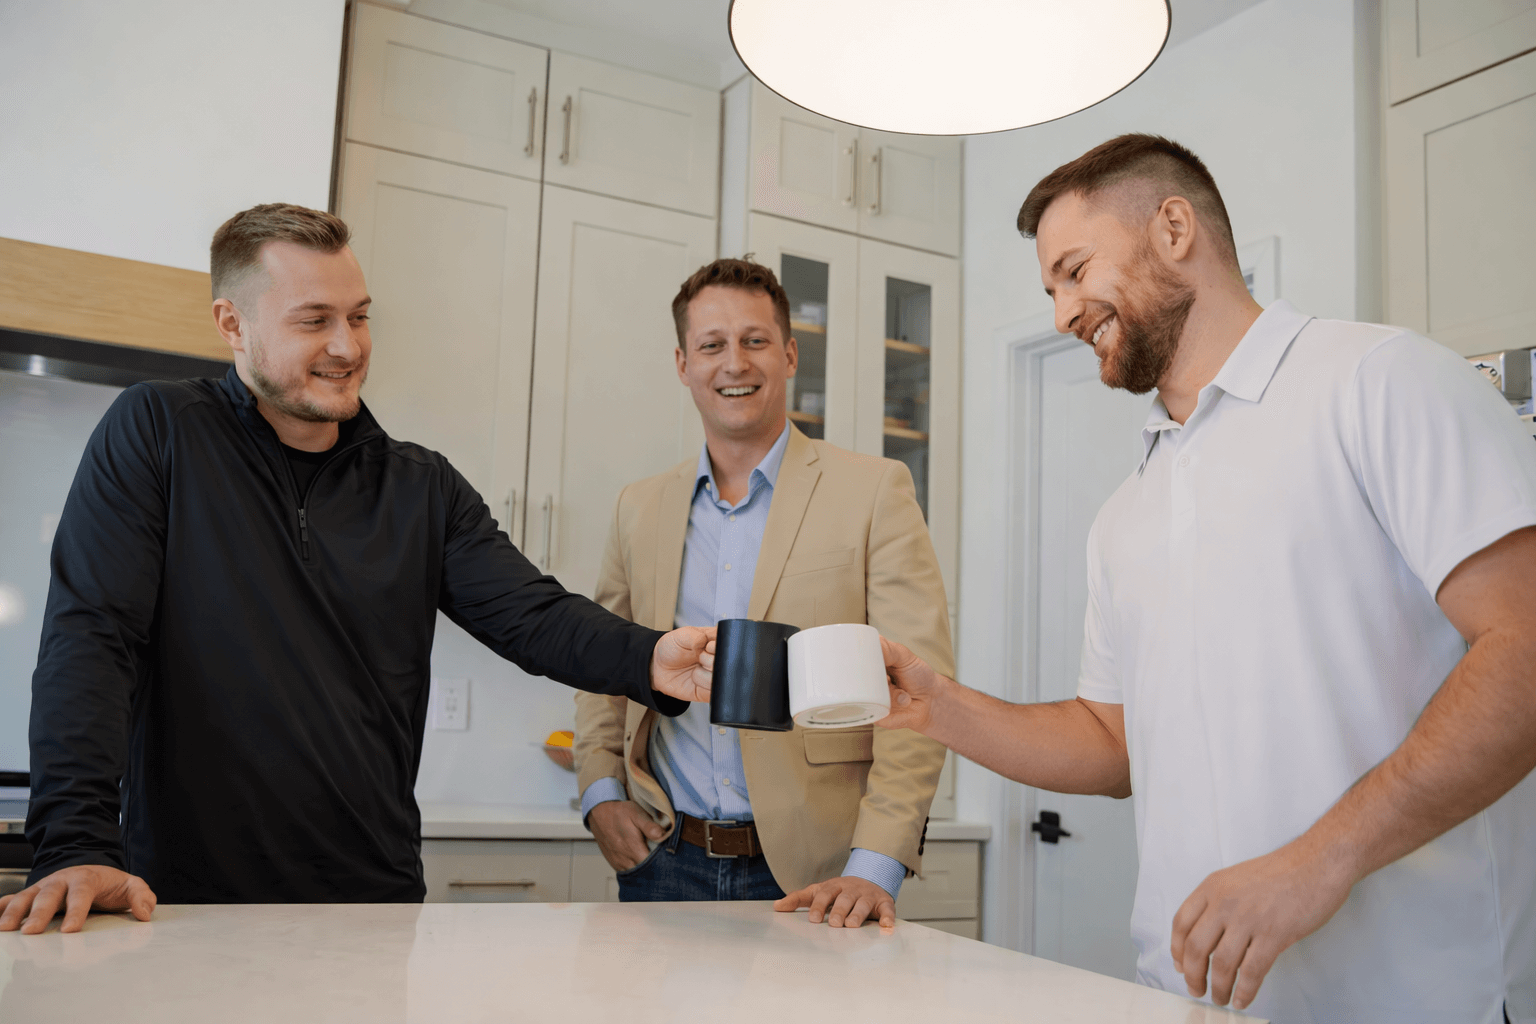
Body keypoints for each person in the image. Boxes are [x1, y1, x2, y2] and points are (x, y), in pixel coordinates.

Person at [875, 135, 1536, 1023]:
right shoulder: (1127, 513)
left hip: (1413, 994)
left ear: (1175, 228)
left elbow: (1524, 647)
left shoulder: (1379, 381)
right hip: (1191, 999)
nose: (1065, 312)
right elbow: (1114, 745)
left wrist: (1322, 857)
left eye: (1074, 270)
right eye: (1052, 291)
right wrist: (937, 707)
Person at [0, 204, 714, 935]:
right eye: (314, 320)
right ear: (231, 324)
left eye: (360, 316)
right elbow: (92, 641)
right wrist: (76, 845)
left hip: (371, 903)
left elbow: (532, 615)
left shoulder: (419, 486)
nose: (348, 345)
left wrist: (649, 655)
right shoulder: (159, 433)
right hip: (180, 902)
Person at [572, 259, 951, 929]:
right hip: (663, 860)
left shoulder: (875, 492)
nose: (734, 363)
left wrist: (876, 865)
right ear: (683, 363)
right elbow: (601, 663)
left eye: (754, 340)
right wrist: (600, 794)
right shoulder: (638, 507)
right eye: (712, 345)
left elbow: (921, 693)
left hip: (822, 876)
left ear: (790, 353)